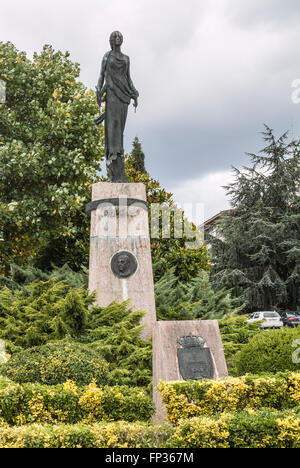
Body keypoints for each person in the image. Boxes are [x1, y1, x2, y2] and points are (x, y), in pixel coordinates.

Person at [95, 31, 139, 182]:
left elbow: (128, 77)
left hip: (124, 95)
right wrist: (99, 91)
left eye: (120, 36)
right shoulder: (107, 56)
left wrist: (134, 92)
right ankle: (114, 167)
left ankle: (119, 169)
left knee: (120, 130)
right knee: (113, 128)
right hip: (112, 93)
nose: (118, 38)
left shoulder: (126, 58)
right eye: (115, 36)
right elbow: (102, 75)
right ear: (111, 40)